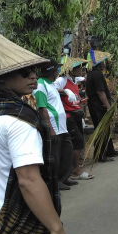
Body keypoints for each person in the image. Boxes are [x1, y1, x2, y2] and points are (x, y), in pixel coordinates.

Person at [0, 60, 71, 234]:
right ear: (2, 77)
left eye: (33, 71)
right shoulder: (19, 120)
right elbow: (29, 180)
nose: (32, 76)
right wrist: (56, 230)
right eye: (24, 72)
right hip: (19, 219)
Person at [33, 59, 76, 191]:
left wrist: (66, 91)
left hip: (61, 126)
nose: (58, 71)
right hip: (54, 127)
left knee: (67, 152)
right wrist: (50, 129)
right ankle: (55, 182)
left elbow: (56, 92)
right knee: (55, 157)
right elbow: (42, 108)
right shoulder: (40, 86)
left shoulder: (49, 83)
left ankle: (63, 178)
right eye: (56, 69)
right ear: (51, 71)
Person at [54, 61, 94, 181]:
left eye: (80, 67)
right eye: (76, 68)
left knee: (78, 140)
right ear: (69, 70)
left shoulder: (75, 80)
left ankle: (73, 167)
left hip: (76, 113)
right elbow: (53, 89)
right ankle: (75, 170)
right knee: (76, 140)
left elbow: (83, 79)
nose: (79, 70)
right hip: (68, 114)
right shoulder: (62, 80)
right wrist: (65, 91)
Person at [86, 57, 118, 162]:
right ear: (99, 63)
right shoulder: (97, 75)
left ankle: (110, 150)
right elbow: (100, 92)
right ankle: (100, 155)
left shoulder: (93, 73)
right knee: (101, 130)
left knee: (105, 129)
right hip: (98, 106)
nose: (104, 63)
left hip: (96, 105)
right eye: (103, 61)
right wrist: (108, 106)